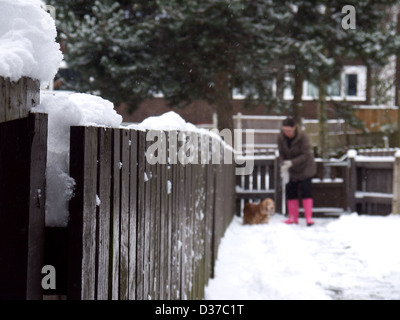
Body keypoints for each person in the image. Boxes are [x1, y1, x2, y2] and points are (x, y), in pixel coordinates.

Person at [277, 117, 316, 226]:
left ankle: (309, 218)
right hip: (291, 169)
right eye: (284, 130)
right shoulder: (281, 138)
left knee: (305, 190)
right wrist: (283, 164)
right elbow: (281, 153)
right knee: (290, 190)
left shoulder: (303, 137)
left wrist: (292, 162)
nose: (286, 133)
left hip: (305, 168)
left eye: (288, 130)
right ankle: (293, 217)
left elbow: (306, 154)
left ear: (294, 128)